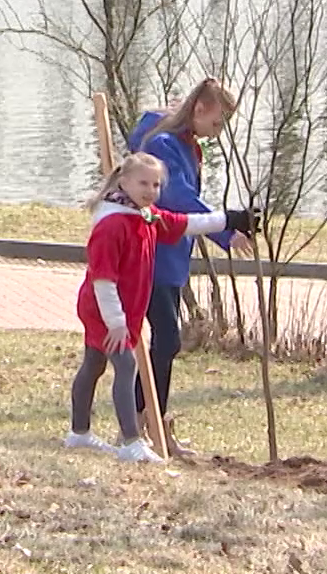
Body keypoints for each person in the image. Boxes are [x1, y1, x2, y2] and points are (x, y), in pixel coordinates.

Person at [67, 152, 242, 463]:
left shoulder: (145, 216)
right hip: (106, 311)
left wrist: (229, 220)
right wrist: (116, 322)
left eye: (157, 184)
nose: (150, 190)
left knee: (94, 364)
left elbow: (182, 223)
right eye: (143, 183)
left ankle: (79, 433)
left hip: (123, 311)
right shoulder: (112, 225)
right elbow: (103, 280)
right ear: (124, 182)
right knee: (125, 365)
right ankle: (131, 442)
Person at [126, 78, 258, 454]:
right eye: (216, 123)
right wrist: (225, 228)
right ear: (199, 109)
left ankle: (150, 421)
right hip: (150, 254)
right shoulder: (162, 144)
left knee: (166, 342)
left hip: (171, 256)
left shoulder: (185, 144)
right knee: (166, 339)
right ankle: (142, 422)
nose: (217, 133)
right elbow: (179, 198)